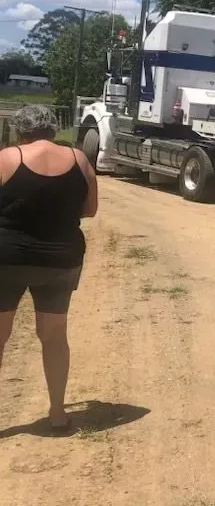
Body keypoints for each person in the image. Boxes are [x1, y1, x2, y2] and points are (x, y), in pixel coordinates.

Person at [0, 105, 98, 434]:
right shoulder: (80, 160)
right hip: (60, 260)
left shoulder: (6, 157)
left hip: (7, 258)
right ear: (53, 129)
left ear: (20, 130)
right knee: (54, 337)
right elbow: (90, 209)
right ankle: (57, 413)